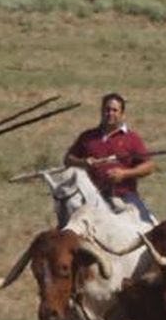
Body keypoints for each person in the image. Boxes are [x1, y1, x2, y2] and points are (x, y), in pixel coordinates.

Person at [64, 92, 157, 223]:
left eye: (114, 110)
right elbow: (68, 160)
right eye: (107, 109)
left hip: (124, 198)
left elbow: (149, 166)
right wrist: (83, 162)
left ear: (122, 114)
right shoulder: (87, 137)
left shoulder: (132, 138)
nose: (110, 113)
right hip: (91, 199)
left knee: (148, 225)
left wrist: (124, 174)